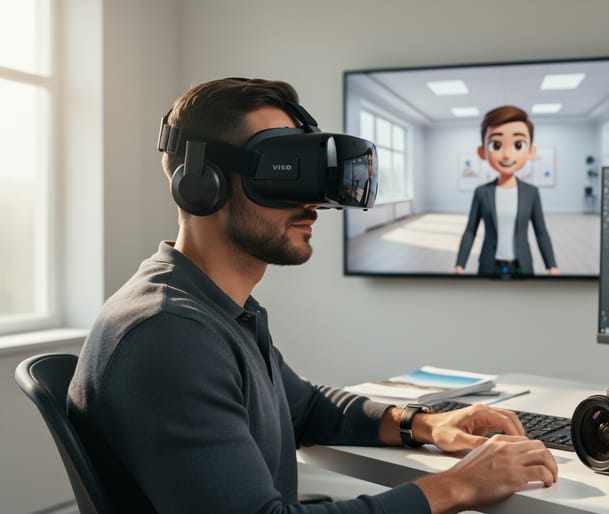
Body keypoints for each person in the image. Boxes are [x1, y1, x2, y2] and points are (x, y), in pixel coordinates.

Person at [67, 78, 557, 514]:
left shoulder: (216, 310)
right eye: (284, 170)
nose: (314, 202)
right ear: (202, 185)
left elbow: (305, 408)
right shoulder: (170, 334)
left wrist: (428, 424)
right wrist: (457, 487)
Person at [454, 105, 558, 277]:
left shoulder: (531, 192)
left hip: (521, 265)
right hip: (489, 265)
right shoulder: (481, 193)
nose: (507, 155)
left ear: (531, 151)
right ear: (482, 152)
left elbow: (541, 232)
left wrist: (551, 265)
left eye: (518, 145)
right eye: (496, 145)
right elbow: (470, 231)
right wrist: (460, 264)